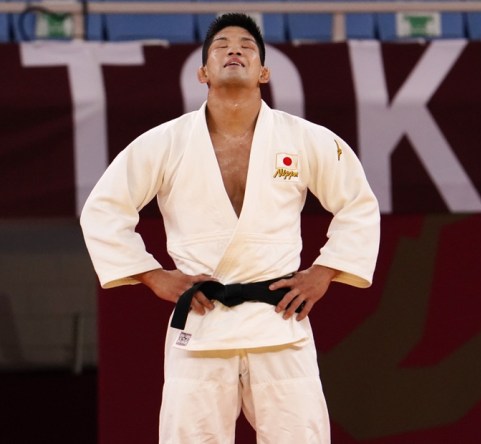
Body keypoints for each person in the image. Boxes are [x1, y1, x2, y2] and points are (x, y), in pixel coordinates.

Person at [80, 13, 380, 444]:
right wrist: (151, 275)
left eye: (246, 45)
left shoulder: (305, 139)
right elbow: (103, 210)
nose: (233, 49)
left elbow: (357, 203)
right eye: (220, 45)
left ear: (263, 71)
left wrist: (326, 270)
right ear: (203, 71)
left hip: (279, 322)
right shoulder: (165, 142)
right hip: (201, 325)